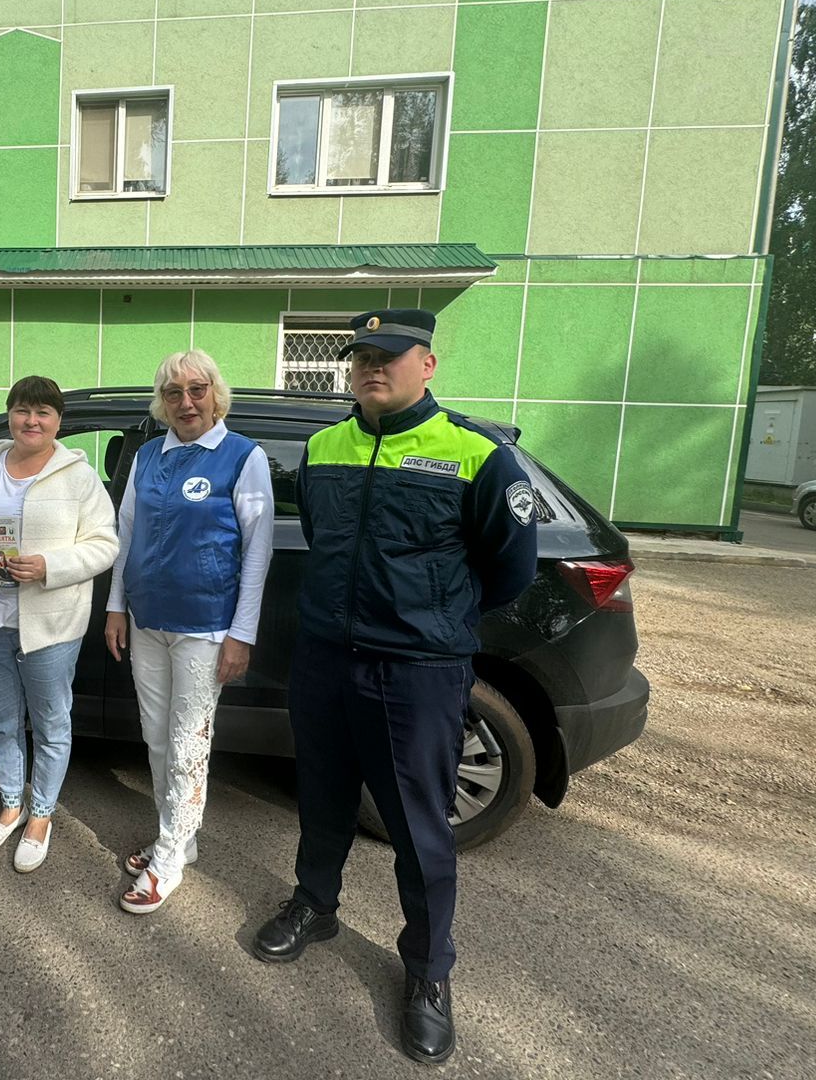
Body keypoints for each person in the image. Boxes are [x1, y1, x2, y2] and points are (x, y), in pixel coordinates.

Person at [251, 309, 538, 1065]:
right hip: (325, 660)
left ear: (428, 364)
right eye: (361, 356)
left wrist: (431, 619)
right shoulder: (323, 446)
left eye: (390, 355)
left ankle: (428, 974)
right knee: (323, 798)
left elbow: (510, 569)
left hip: (415, 671)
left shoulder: (477, 455)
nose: (372, 367)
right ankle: (315, 905)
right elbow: (321, 532)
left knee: (419, 829)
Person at [102, 350, 273, 914]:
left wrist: (241, 633)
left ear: (215, 393)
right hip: (148, 620)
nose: (186, 402)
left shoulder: (242, 457)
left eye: (197, 389)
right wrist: (116, 606)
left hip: (206, 627)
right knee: (156, 737)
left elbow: (257, 552)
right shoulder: (149, 455)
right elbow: (127, 534)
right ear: (163, 403)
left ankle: (169, 856)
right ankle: (181, 834)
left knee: (188, 744)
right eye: (173, 393)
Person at [0, 376, 118, 872]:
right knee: (1, 719)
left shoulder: (78, 477)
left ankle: (41, 815)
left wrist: (50, 566)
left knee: (50, 724)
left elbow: (106, 543)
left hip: (50, 625)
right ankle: (10, 803)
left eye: (44, 412)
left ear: (58, 421)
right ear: (9, 414)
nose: (33, 421)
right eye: (24, 410)